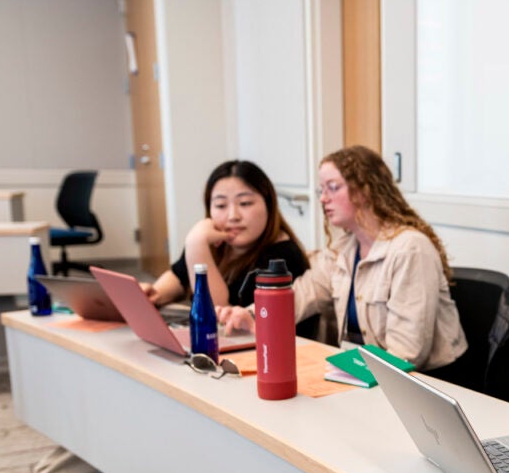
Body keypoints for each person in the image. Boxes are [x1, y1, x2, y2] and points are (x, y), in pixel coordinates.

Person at [219, 145, 467, 371]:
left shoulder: (410, 249)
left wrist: (342, 375)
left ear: (365, 190)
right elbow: (305, 293)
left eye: (333, 188)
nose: (323, 198)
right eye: (321, 190)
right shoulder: (345, 248)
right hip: (366, 374)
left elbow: (407, 354)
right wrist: (253, 315)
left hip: (423, 383)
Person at [142, 159, 310, 312]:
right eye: (221, 205)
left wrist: (196, 244)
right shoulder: (214, 242)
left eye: (245, 203)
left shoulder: (283, 257)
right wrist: (153, 294)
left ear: (269, 205)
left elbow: (218, 316)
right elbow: (179, 277)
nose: (233, 216)